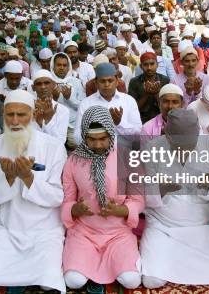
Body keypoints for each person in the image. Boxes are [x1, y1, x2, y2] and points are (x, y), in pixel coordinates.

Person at [0, 90, 67, 292]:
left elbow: (57, 198)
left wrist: (28, 177)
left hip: (44, 230)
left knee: (48, 285)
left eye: (21, 114)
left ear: (32, 115)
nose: (14, 121)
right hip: (7, 229)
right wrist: (10, 177)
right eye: (9, 114)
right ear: (3, 116)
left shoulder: (54, 147)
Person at [140, 109, 209, 289]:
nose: (185, 149)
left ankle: (183, 261)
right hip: (163, 227)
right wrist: (161, 189)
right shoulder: (152, 148)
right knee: (152, 280)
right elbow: (141, 194)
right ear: (167, 135)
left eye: (190, 143)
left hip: (203, 228)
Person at [62, 106, 144, 289]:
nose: (98, 145)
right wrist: (75, 209)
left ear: (111, 135)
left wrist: (121, 210)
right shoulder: (73, 161)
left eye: (103, 139)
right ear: (84, 136)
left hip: (118, 233)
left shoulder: (128, 157)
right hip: (84, 232)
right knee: (74, 281)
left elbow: (138, 200)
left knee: (131, 281)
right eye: (91, 139)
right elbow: (67, 200)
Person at [74, 63, 142, 145]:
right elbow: (77, 138)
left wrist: (119, 124)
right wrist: (97, 130)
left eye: (110, 80)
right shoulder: (86, 103)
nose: (107, 85)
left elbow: (138, 135)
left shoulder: (129, 101)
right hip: (96, 154)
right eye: (102, 81)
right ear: (96, 83)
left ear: (117, 81)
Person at [50, 52, 86, 149]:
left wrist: (69, 98)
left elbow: (83, 105)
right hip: (53, 124)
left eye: (64, 65)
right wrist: (54, 98)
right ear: (53, 66)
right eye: (58, 65)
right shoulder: (47, 81)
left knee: (76, 148)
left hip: (72, 125)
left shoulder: (76, 82)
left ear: (68, 67)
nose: (61, 68)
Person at [128, 52, 169, 123]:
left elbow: (168, 108)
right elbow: (131, 109)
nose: (149, 68)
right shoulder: (134, 82)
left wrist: (156, 94)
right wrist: (146, 94)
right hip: (141, 120)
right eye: (146, 65)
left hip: (161, 119)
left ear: (157, 65)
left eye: (152, 64)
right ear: (141, 66)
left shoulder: (164, 80)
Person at [32, 70, 71, 145]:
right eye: (39, 84)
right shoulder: (28, 108)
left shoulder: (62, 110)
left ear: (54, 85)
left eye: (47, 83)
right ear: (33, 87)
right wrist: (39, 123)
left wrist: (47, 121)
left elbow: (60, 141)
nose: (43, 87)